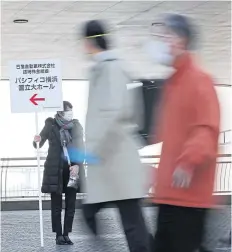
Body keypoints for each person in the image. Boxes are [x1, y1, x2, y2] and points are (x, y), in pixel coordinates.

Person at [145, 14, 220, 252]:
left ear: (182, 41)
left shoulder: (199, 81)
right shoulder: (172, 84)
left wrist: (188, 162)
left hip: (189, 198)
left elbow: (206, 129)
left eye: (168, 35)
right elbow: (169, 137)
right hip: (168, 195)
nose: (162, 41)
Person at [81, 20, 151, 252]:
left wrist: (94, 151)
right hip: (113, 160)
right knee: (129, 220)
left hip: (115, 158)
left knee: (130, 223)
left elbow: (112, 114)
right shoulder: (109, 67)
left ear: (89, 42)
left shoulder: (110, 68)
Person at [33, 101, 84, 245]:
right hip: (55, 170)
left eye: (71, 111)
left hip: (72, 170)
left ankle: (67, 234)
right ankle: (58, 235)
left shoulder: (76, 126)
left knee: (71, 204)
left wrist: (77, 166)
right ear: (61, 112)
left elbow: (81, 148)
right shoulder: (51, 125)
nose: (71, 114)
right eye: (68, 111)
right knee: (56, 205)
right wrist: (36, 140)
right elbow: (39, 141)